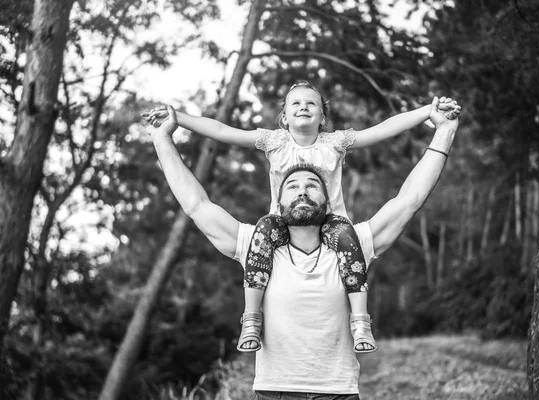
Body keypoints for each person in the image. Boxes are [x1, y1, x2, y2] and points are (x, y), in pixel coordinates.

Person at [148, 98, 458, 398]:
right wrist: (162, 138)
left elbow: (410, 199)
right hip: (274, 393)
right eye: (292, 186)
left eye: (312, 185)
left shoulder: (351, 246)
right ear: (278, 202)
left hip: (338, 394)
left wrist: (444, 130)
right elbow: (196, 203)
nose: (302, 191)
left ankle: (362, 322)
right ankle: (250, 320)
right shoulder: (258, 246)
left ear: (328, 201)